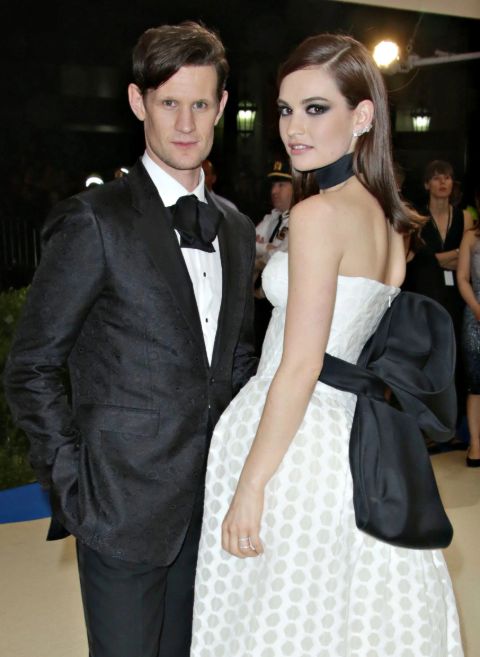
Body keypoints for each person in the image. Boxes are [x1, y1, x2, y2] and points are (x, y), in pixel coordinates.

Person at [191, 34, 463, 657]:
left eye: (316, 108)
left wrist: (251, 484)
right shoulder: (391, 224)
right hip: (350, 440)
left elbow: (301, 364)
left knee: (272, 624)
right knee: (338, 620)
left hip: (293, 442)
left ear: (362, 115)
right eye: (286, 109)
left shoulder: (317, 216)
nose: (293, 127)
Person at [3, 21, 257, 657]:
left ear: (222, 106)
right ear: (138, 101)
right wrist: (74, 484)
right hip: (118, 508)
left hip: (215, 508)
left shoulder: (234, 225)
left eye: (201, 104)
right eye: (168, 102)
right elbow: (30, 367)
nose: (185, 124)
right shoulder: (95, 220)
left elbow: (237, 360)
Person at [253, 161, 293, 353]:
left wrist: (262, 250)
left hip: (281, 303)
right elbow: (248, 246)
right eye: (273, 185)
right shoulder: (272, 217)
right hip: (258, 298)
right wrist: (266, 249)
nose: (274, 191)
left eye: (281, 185)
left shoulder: (298, 219)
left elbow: (281, 259)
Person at [458, 225, 480, 467]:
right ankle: (475, 443)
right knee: (476, 383)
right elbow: (462, 278)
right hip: (476, 315)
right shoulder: (471, 237)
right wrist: (476, 308)